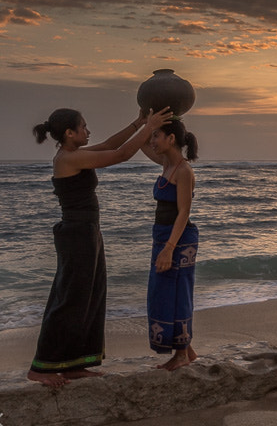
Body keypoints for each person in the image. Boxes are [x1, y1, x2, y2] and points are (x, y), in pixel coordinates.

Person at [27, 106, 172, 387]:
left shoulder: (76, 154)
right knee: (70, 299)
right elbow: (119, 155)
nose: (88, 131)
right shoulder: (68, 158)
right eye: (83, 127)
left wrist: (138, 123)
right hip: (76, 233)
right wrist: (149, 127)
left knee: (90, 296)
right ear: (69, 133)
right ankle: (40, 367)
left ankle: (74, 363)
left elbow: (108, 145)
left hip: (88, 231)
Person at [140, 117, 199, 370]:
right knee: (160, 292)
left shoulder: (184, 171)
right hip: (163, 236)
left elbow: (184, 212)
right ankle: (188, 350)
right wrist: (146, 120)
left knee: (177, 294)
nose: (153, 141)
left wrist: (169, 248)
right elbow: (140, 144)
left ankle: (182, 355)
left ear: (171, 139)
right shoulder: (165, 162)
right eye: (153, 136)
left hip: (178, 239)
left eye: (157, 136)